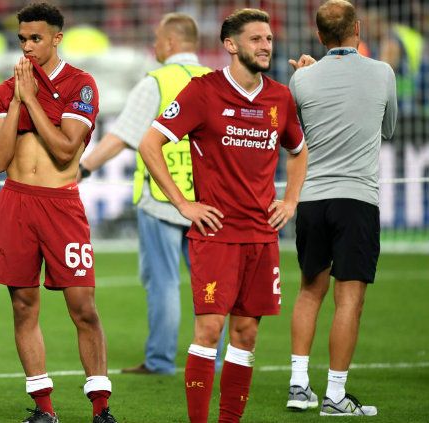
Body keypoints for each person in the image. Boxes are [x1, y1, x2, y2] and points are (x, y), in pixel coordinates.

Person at [138, 8, 308, 423]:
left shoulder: (280, 98)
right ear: (230, 45)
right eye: (256, 39)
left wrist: (290, 202)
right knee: (209, 332)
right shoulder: (204, 92)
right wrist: (183, 204)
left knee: (246, 335)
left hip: (262, 237)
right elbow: (149, 143)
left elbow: (299, 152)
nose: (266, 46)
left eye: (268, 39)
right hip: (215, 235)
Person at [0, 3, 117, 423]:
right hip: (15, 202)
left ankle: (101, 408)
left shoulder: (81, 85)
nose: (27, 46)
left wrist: (32, 101)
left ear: (57, 37)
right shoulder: (7, 90)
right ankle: (44, 409)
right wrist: (19, 102)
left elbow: (64, 151)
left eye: (35, 38)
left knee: (84, 307)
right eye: (22, 39)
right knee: (23, 305)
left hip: (61, 205)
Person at [79, 13, 221, 375]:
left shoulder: (156, 82)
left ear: (171, 43)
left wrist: (83, 168)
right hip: (209, 201)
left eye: (157, 38)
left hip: (163, 197)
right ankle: (215, 359)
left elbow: (122, 136)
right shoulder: (218, 82)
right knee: (210, 284)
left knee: (163, 282)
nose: (153, 45)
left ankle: (160, 360)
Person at [286, 0, 397, 417]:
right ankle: (334, 395)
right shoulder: (382, 72)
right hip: (357, 199)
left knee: (309, 291)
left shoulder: (302, 80)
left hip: (312, 199)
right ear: (358, 28)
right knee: (349, 299)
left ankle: (299, 386)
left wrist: (308, 75)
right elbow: (388, 129)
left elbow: (296, 133)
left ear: (319, 36)